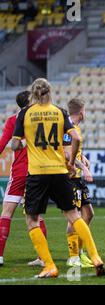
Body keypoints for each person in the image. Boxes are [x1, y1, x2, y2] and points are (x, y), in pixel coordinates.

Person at [11, 78, 105, 278]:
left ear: (33, 93)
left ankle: (50, 266)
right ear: (49, 91)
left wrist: (22, 143)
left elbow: (15, 145)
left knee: (32, 220)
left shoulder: (25, 114)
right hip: (60, 172)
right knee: (74, 216)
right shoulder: (60, 111)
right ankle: (95, 257)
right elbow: (77, 138)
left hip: (37, 173)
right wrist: (71, 163)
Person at [0, 90, 48, 267]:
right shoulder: (41, 118)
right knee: (36, 216)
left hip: (19, 172)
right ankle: (43, 258)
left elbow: (2, 144)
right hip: (37, 171)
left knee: (6, 213)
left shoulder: (13, 120)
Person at [63, 98, 95, 268]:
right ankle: (74, 257)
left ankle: (80, 253)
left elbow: (74, 152)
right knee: (74, 219)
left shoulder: (74, 127)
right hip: (69, 179)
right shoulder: (68, 129)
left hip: (77, 178)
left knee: (88, 214)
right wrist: (84, 167)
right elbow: (67, 154)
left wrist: (84, 158)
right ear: (82, 112)